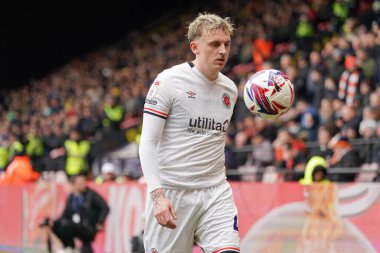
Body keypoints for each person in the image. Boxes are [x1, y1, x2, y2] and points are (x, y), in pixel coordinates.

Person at [139, 13, 240, 253]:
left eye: (226, 44)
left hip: (216, 191)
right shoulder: (168, 82)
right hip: (173, 193)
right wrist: (157, 196)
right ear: (195, 47)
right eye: (215, 44)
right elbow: (148, 143)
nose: (223, 51)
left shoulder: (230, 89)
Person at [50, 172, 109, 253]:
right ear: (73, 184)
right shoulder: (71, 197)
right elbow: (65, 214)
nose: (83, 185)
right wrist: (54, 222)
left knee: (68, 226)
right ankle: (69, 246)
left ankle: (71, 248)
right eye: (80, 183)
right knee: (57, 226)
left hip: (88, 226)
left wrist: (100, 222)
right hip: (75, 225)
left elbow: (105, 208)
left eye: (84, 182)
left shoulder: (91, 195)